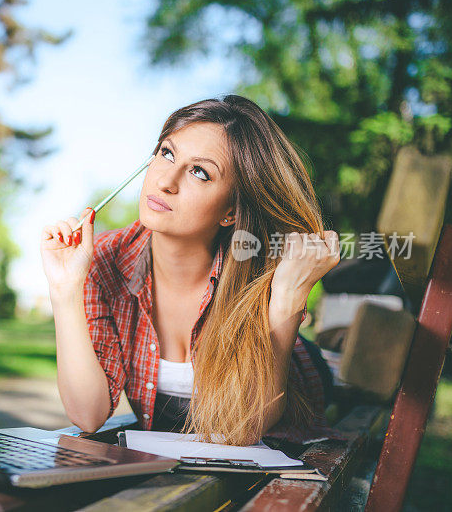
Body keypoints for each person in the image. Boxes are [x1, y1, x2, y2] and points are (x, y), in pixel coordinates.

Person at [40, 95, 343, 446]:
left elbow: (245, 428)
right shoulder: (103, 258)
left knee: (343, 373)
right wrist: (64, 291)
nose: (166, 181)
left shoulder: (260, 269)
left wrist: (288, 297)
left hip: (295, 394)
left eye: (200, 172)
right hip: (184, 447)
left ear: (230, 212)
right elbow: (87, 415)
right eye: (167, 153)